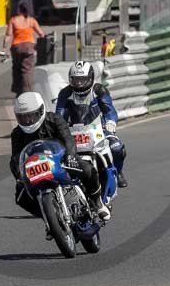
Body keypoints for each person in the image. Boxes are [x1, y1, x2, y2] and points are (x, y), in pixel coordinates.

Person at [10, 91, 110, 221]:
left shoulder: (54, 120)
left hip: (62, 160)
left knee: (88, 170)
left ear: (41, 111)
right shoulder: (17, 133)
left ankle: (98, 203)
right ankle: (48, 216)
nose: (28, 121)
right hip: (36, 169)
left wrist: (70, 155)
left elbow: (68, 139)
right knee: (20, 197)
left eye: (31, 116)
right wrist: (19, 175)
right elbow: (16, 157)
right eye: (22, 117)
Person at [56, 60, 128, 188]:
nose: (79, 84)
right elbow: (59, 115)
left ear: (90, 78)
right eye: (76, 80)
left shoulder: (99, 90)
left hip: (98, 128)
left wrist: (110, 122)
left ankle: (118, 172)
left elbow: (109, 110)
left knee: (117, 147)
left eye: (82, 80)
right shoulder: (65, 93)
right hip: (73, 131)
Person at [3, 2, 44, 95]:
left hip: (16, 47)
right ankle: (27, 91)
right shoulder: (31, 20)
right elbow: (41, 34)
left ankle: (17, 89)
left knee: (16, 68)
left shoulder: (13, 20)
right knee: (27, 70)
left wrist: (4, 48)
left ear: (19, 10)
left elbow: (8, 35)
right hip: (29, 47)